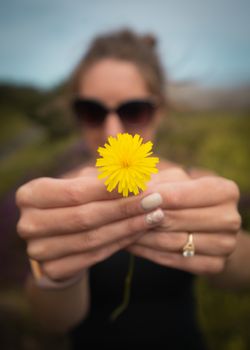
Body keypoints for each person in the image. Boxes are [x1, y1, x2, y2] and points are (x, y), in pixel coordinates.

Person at [15, 28, 249, 349]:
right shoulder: (57, 198)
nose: (113, 131)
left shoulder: (195, 184)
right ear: (76, 115)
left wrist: (225, 245)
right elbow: (52, 321)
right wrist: (58, 274)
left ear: (159, 112)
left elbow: (241, 278)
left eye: (133, 110)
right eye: (92, 111)